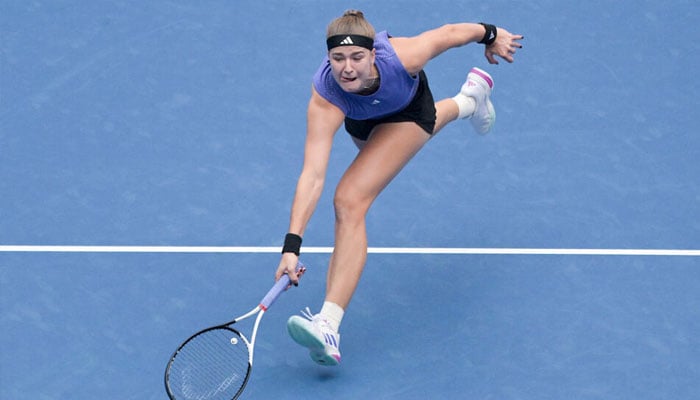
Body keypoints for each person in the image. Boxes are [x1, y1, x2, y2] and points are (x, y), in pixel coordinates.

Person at [274, 10, 523, 366]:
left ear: (374, 54)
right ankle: (470, 100)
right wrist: (291, 245)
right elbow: (312, 173)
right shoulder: (326, 95)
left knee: (350, 200)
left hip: (408, 109)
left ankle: (328, 323)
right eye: (338, 58)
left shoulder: (403, 56)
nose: (347, 67)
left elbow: (450, 32)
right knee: (384, 158)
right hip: (364, 125)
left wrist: (491, 33)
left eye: (357, 57)